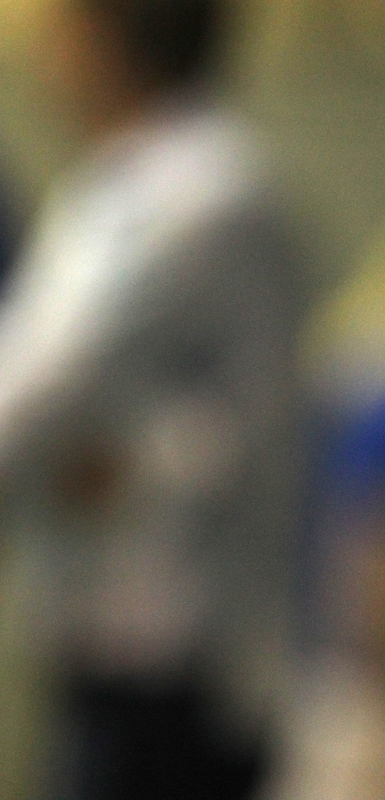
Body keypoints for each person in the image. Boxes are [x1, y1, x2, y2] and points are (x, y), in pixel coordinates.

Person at [0, 1, 310, 797]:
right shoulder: (119, 184)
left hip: (178, 662)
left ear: (108, 38)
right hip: (114, 640)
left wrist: (104, 460)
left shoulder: (199, 191)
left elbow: (35, 394)